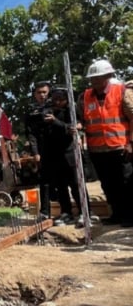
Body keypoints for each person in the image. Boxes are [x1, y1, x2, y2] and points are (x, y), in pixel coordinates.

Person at [78, 60, 133, 227]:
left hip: (121, 147)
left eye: (98, 78)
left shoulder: (122, 92)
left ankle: (130, 216)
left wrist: (132, 142)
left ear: (108, 76)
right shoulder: (85, 97)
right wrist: (78, 127)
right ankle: (116, 214)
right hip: (97, 150)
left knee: (126, 183)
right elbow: (82, 120)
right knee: (108, 184)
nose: (94, 82)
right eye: (92, 78)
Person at [45, 87, 94, 226]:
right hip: (55, 155)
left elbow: (72, 128)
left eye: (60, 99)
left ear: (67, 100)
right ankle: (66, 212)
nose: (57, 102)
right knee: (61, 186)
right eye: (55, 99)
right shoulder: (49, 110)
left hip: (70, 153)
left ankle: (86, 212)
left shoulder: (71, 112)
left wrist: (55, 121)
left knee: (76, 185)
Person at [24, 81, 53, 220]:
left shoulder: (56, 106)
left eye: (44, 92)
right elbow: (31, 134)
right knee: (44, 181)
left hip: (59, 148)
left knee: (65, 180)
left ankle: (68, 211)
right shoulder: (31, 112)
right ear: (34, 94)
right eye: (39, 92)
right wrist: (35, 152)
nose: (42, 95)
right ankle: (45, 211)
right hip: (42, 150)